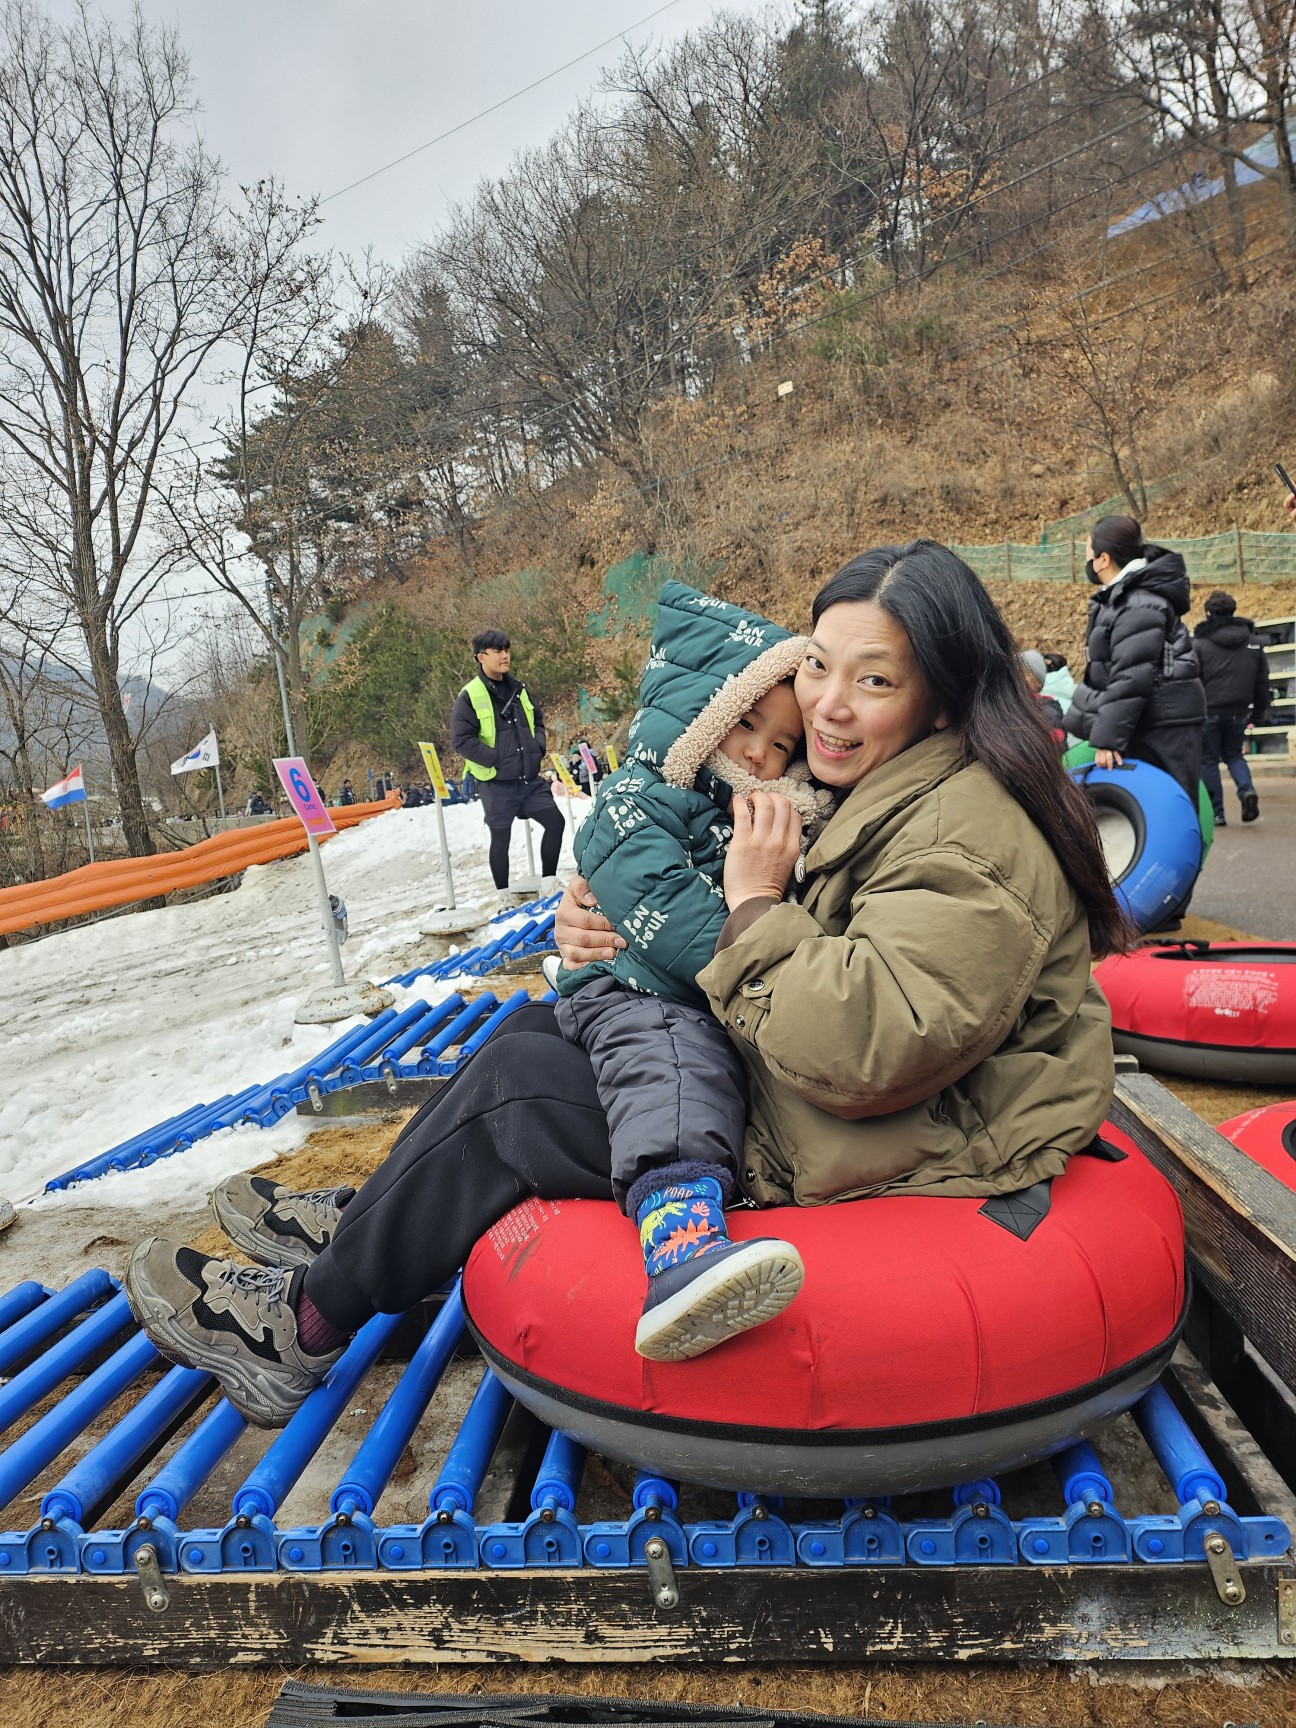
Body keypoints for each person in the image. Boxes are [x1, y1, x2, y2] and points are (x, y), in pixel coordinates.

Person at [124, 541, 1124, 1429]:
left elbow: (867, 1045)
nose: (827, 704)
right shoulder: (890, 786)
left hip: (901, 1127)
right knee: (534, 1034)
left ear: (941, 697)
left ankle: (300, 1328)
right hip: (842, 1079)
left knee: (517, 1097)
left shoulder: (968, 832)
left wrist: (749, 906)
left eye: (874, 681)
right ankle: (367, 1226)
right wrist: (612, 930)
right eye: (818, 664)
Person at [553, 583, 835, 1359]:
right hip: (633, 994)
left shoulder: (748, 814)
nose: (760, 754)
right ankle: (679, 1244)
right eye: (745, 724)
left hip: (679, 993)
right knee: (676, 1072)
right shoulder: (638, 798)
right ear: (696, 714)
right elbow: (665, 911)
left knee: (698, 1063)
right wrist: (749, 961)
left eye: (782, 744)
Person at [1063, 515, 1206, 804]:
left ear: (1104, 559)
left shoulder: (1137, 602)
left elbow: (1131, 673)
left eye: (1088, 553)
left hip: (1162, 726)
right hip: (1150, 720)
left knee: (1167, 809)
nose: (1086, 561)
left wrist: (1108, 739)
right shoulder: (1125, 597)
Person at [449, 629, 564, 896]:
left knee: (555, 822)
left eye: (507, 650)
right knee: (501, 838)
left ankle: (549, 884)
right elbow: (462, 740)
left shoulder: (519, 689)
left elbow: (537, 720)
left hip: (528, 780)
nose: (505, 655)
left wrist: (538, 747)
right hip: (496, 782)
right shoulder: (470, 695)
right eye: (498, 651)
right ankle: (504, 896)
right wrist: (496, 759)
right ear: (481, 657)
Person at [1193, 591, 1270, 825]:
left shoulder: (1199, 644)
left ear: (1208, 613)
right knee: (1234, 755)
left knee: (1208, 761)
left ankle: (1217, 813)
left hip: (1207, 711)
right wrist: (1259, 713)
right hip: (1239, 710)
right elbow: (1262, 682)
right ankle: (1246, 791)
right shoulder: (1253, 642)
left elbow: (1192, 681)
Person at [1020, 649, 1066, 744]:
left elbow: (1057, 744)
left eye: (1023, 673)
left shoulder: (1048, 711)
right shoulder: (1015, 706)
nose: (1018, 679)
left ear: (1038, 682)